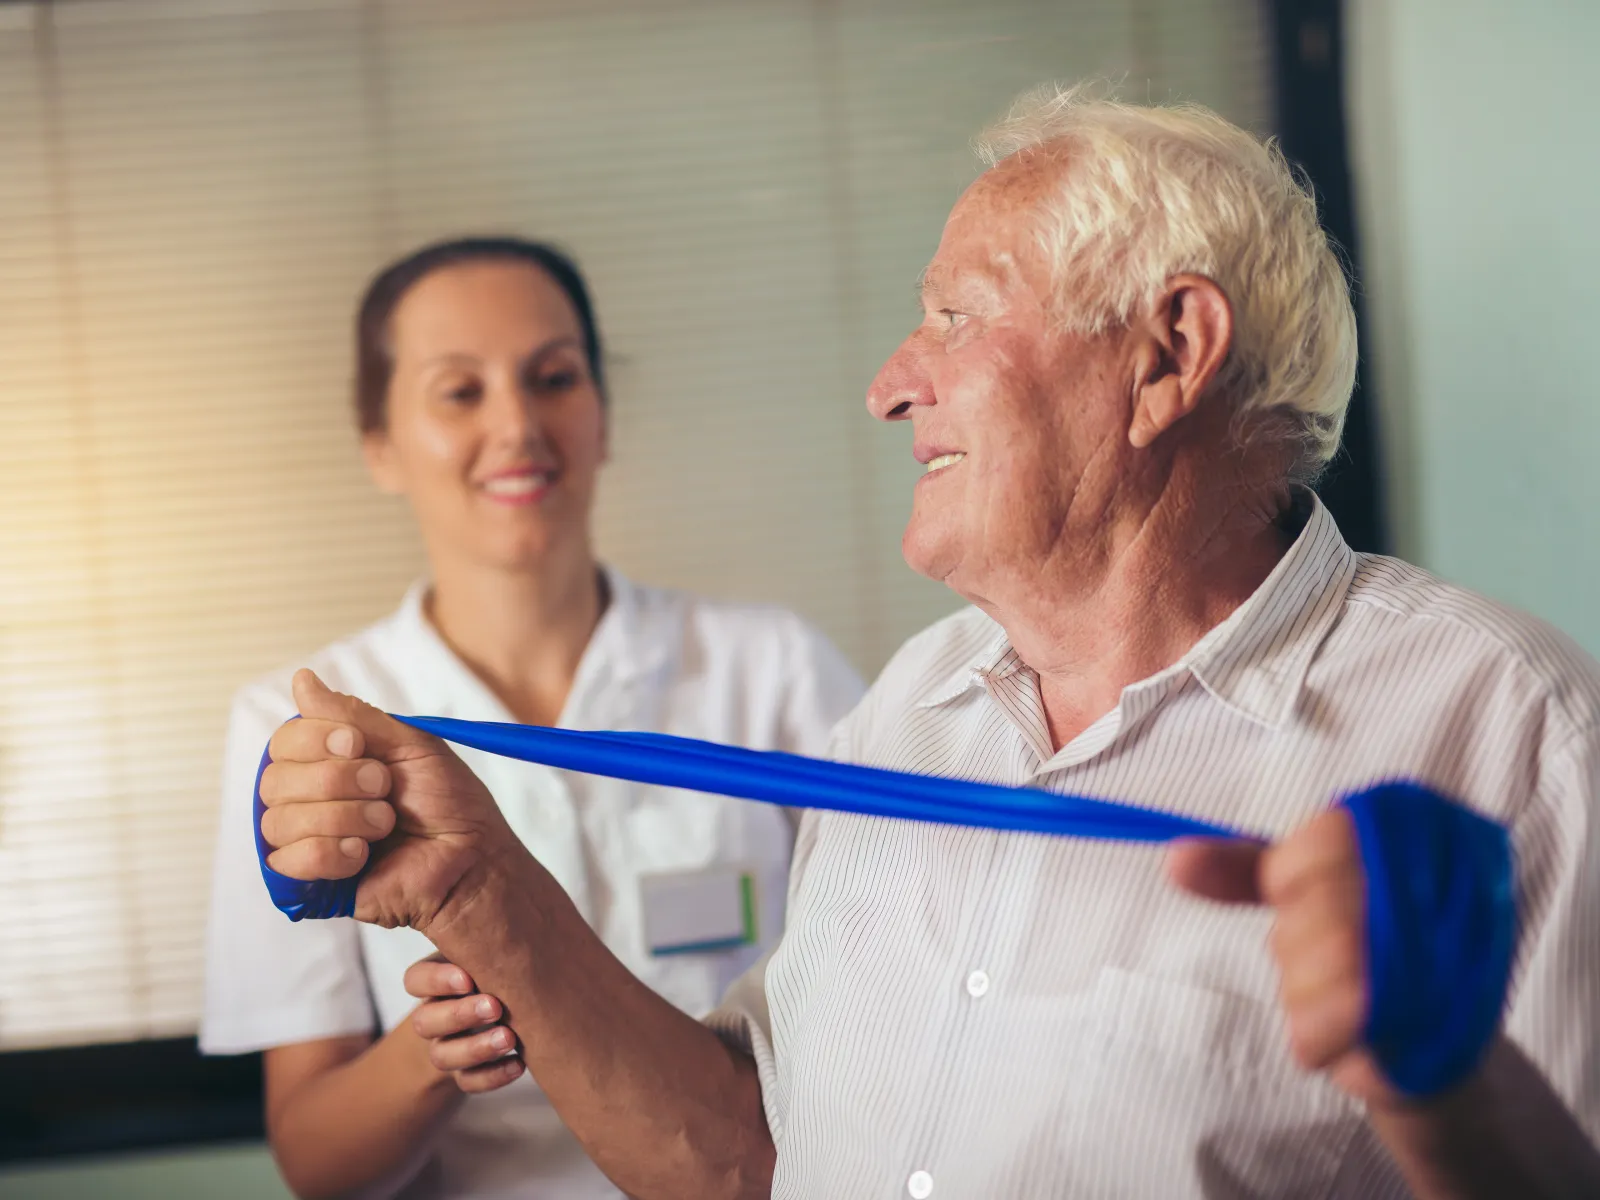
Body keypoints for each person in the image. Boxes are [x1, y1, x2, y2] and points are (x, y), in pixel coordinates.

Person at [252, 89, 1600, 1199]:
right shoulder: (913, 707)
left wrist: (1448, 1096)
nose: (892, 382)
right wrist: (476, 887)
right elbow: (743, 1157)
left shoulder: (1503, 728)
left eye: (958, 314)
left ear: (1167, 355)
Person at [199, 236, 864, 1200]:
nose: (517, 425)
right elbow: (316, 1163)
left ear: (601, 416)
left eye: (553, 378)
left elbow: (900, 999)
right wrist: (433, 1052)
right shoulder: (308, 736)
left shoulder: (775, 671)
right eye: (460, 392)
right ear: (379, 443)